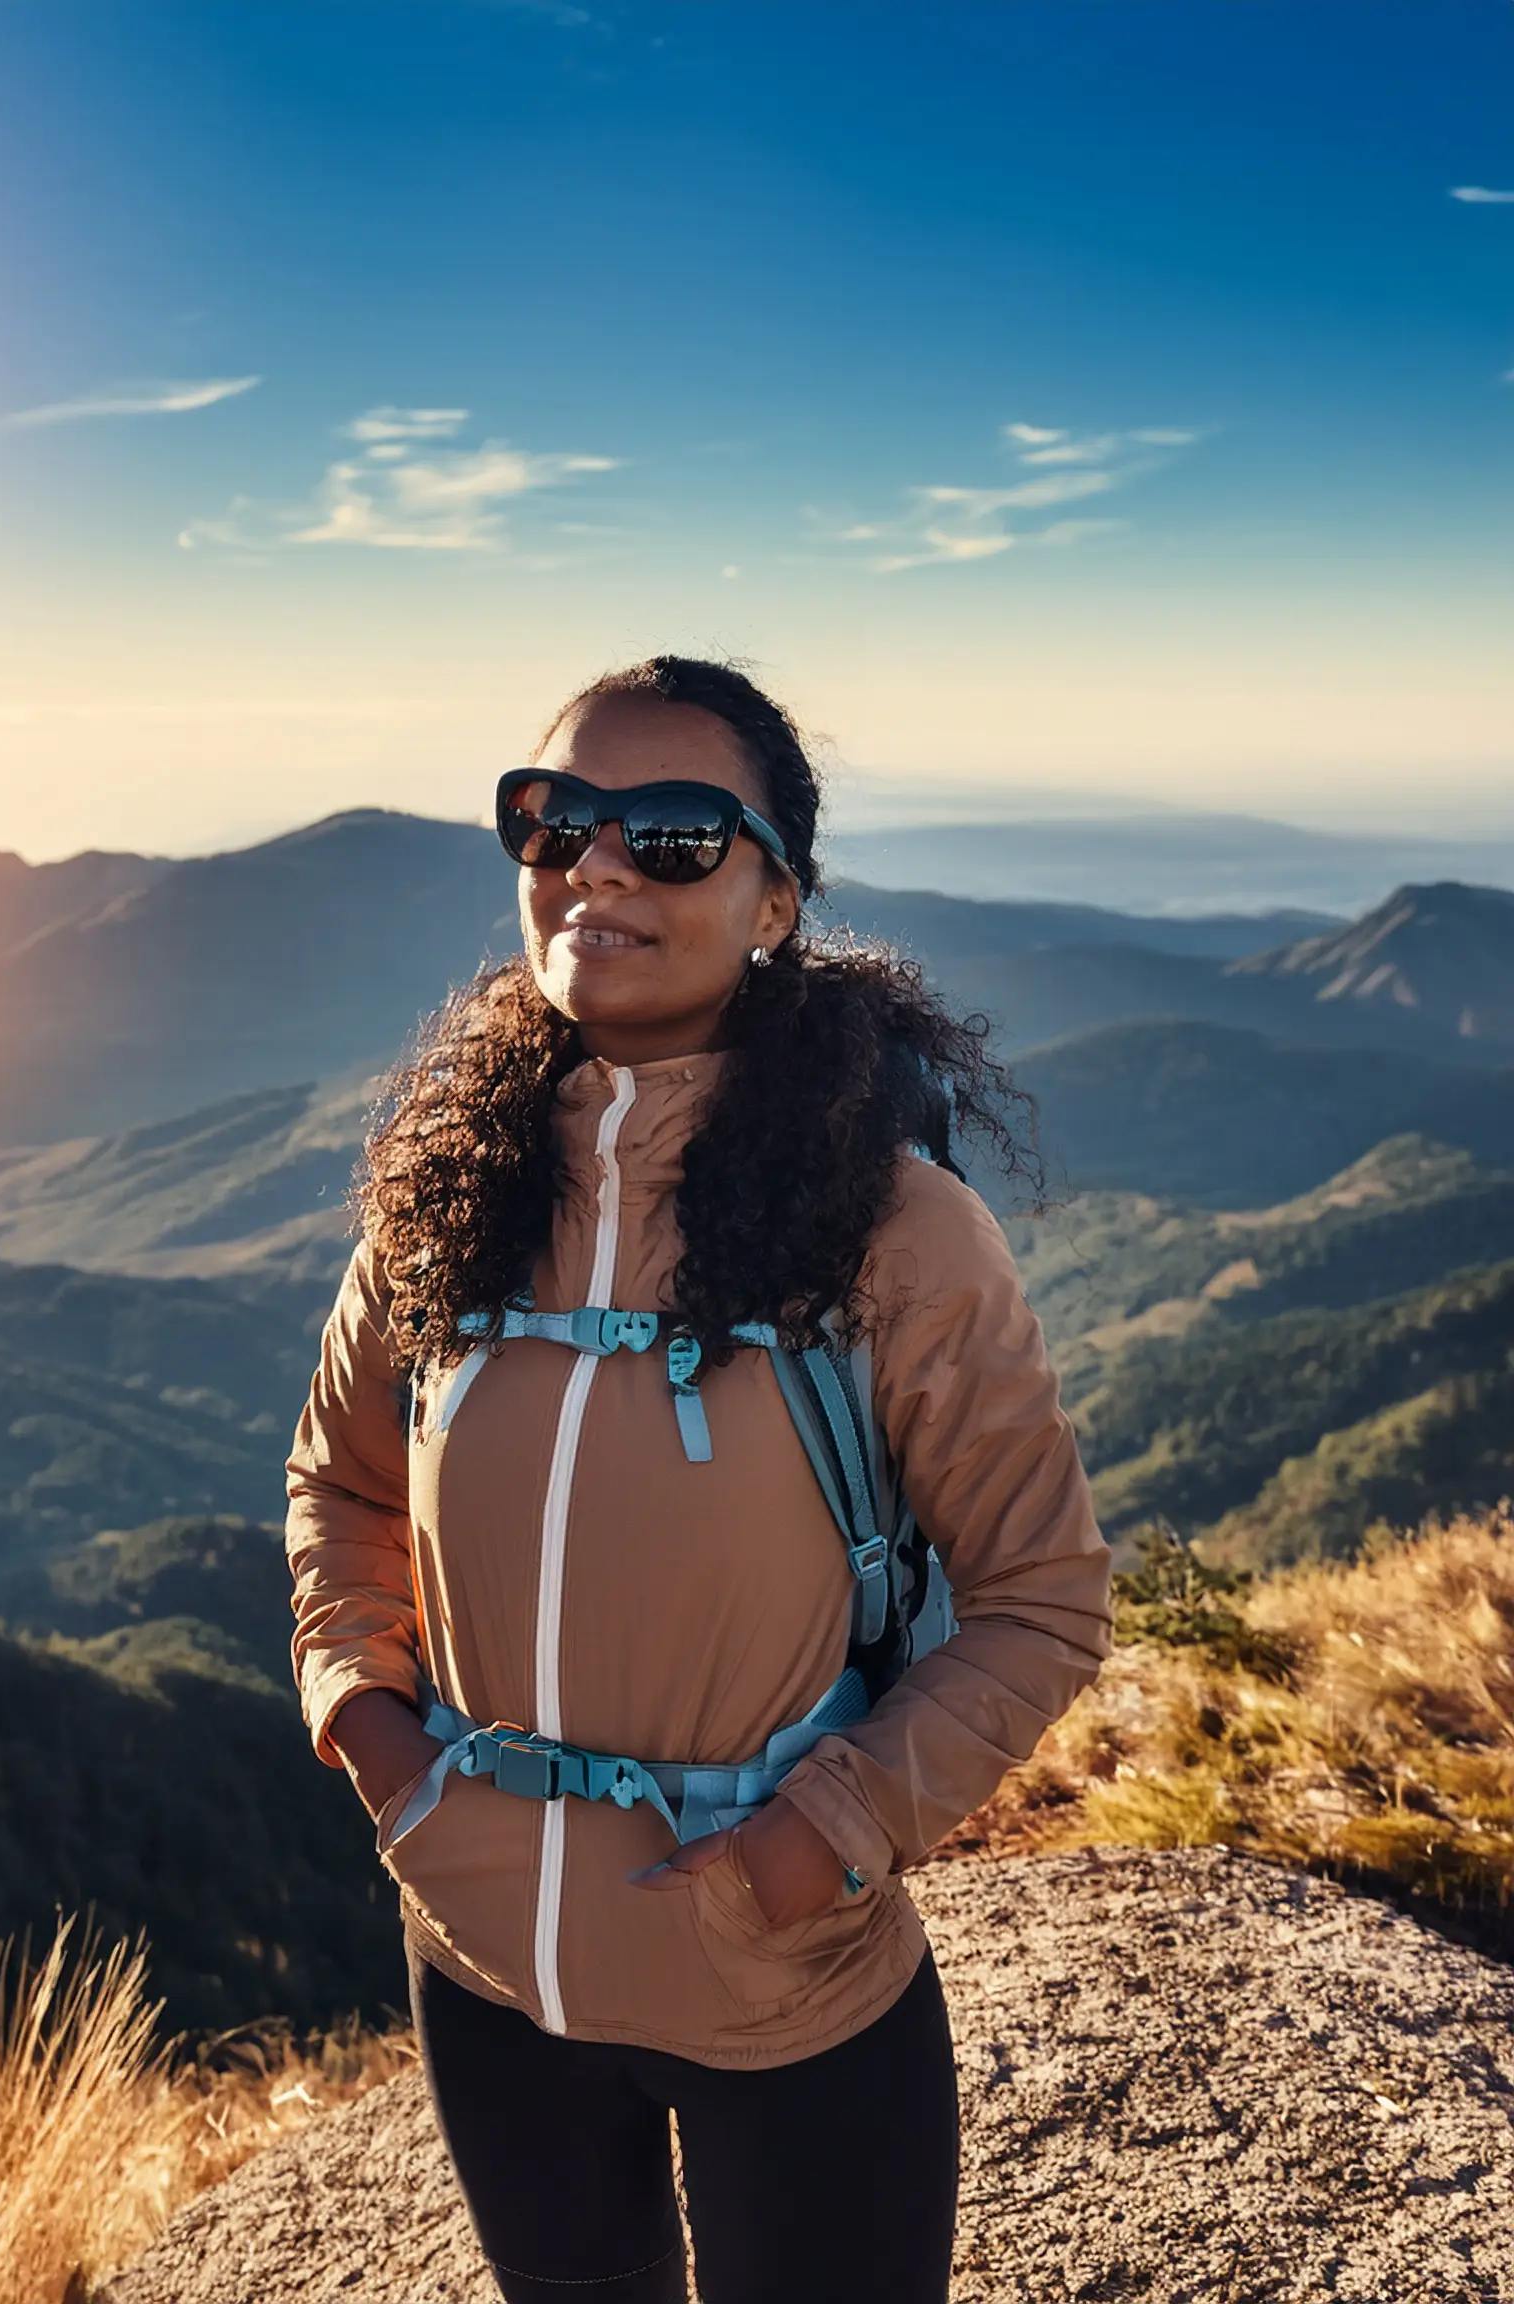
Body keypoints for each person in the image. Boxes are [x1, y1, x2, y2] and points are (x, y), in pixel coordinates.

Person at [286, 656, 1112, 2303]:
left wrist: (812, 1848)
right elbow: (341, 1484)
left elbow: (1041, 1600)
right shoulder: (444, 1206)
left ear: (774, 903)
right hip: (485, 1975)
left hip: (787, 1992)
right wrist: (371, 1733)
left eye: (668, 835)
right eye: (552, 821)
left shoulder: (899, 1231)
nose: (593, 863)